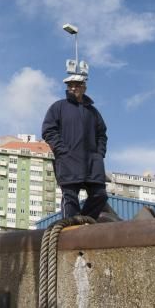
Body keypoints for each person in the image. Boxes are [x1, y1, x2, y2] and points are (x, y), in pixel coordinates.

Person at [41, 74, 108, 220]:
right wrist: (62, 151)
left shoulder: (93, 112)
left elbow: (102, 134)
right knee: (70, 197)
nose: (73, 88)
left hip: (92, 162)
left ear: (84, 87)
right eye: (70, 85)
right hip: (68, 160)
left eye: (77, 85)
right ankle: (70, 227)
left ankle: (85, 221)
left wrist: (99, 153)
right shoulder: (58, 107)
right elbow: (48, 130)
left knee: (100, 195)